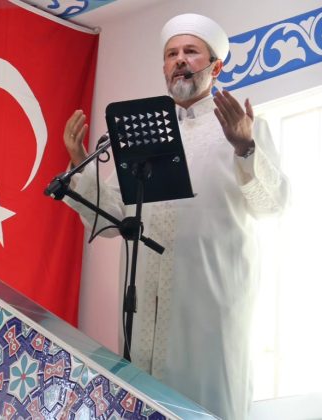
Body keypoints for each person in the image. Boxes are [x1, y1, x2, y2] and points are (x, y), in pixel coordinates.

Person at [61, 13, 287, 420]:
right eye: (171, 54)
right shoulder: (143, 135)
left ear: (216, 67)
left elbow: (272, 203)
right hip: (141, 311)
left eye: (191, 52)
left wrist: (245, 148)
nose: (180, 60)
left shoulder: (245, 128)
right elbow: (111, 219)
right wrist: (80, 163)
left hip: (210, 309)